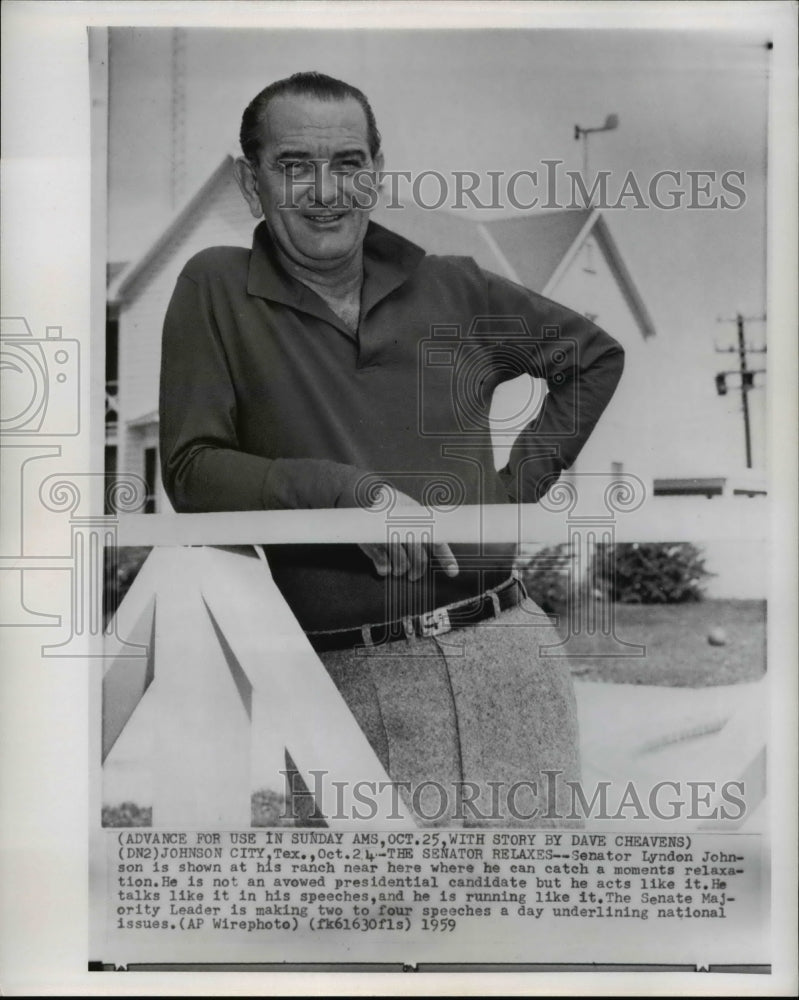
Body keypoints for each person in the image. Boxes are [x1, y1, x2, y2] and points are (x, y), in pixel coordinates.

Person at [159, 71, 625, 826]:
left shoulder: (455, 287)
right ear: (252, 183)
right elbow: (192, 468)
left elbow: (592, 357)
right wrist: (352, 497)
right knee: (363, 933)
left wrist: (507, 499)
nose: (324, 190)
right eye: (293, 166)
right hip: (347, 680)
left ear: (377, 172)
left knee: (533, 930)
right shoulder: (215, 287)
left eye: (347, 163)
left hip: (507, 656)